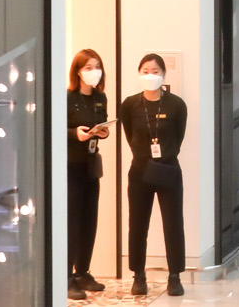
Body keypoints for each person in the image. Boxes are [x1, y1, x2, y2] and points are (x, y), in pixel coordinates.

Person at [120, 53, 186, 297]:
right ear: (139, 74)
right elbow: (129, 134)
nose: (151, 75)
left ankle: (175, 276)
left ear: (163, 75)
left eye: (156, 71)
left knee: (173, 223)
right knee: (137, 224)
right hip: (140, 172)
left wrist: (163, 156)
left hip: (169, 170)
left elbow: (178, 137)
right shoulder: (129, 104)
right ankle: (138, 274)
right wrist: (144, 156)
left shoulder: (176, 104)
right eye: (146, 70)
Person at [66, 50, 109, 299]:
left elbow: (101, 122)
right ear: (79, 71)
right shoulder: (68, 97)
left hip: (91, 166)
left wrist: (102, 132)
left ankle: (83, 272)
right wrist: (76, 134)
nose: (94, 71)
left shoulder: (100, 97)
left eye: (97, 66)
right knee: (72, 222)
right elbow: (56, 128)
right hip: (71, 166)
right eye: (89, 67)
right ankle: (66, 276)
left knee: (89, 220)